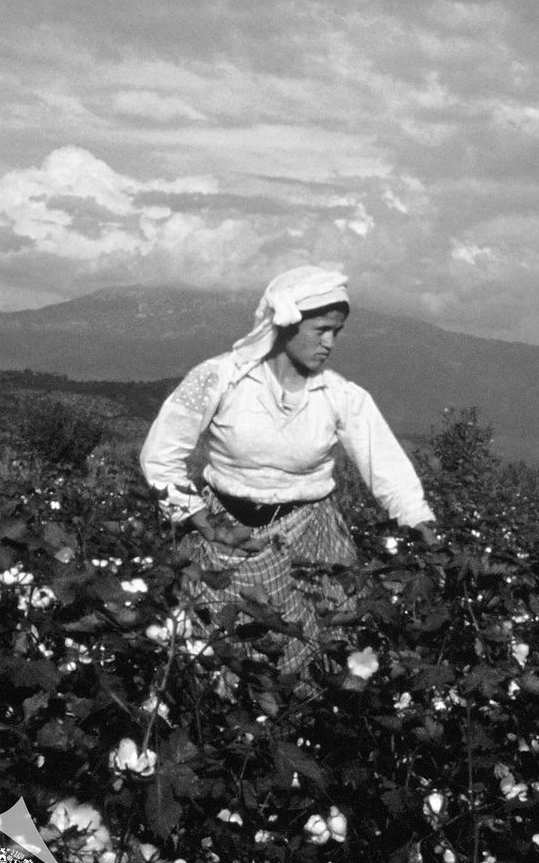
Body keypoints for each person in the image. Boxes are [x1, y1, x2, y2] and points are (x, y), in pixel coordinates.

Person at [140, 266, 437, 675]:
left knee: (320, 647)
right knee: (230, 651)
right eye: (321, 329)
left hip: (312, 539)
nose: (330, 342)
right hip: (228, 535)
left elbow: (385, 464)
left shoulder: (340, 396)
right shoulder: (219, 379)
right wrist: (201, 521)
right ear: (286, 324)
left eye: (338, 331)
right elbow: (160, 454)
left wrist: (417, 520)